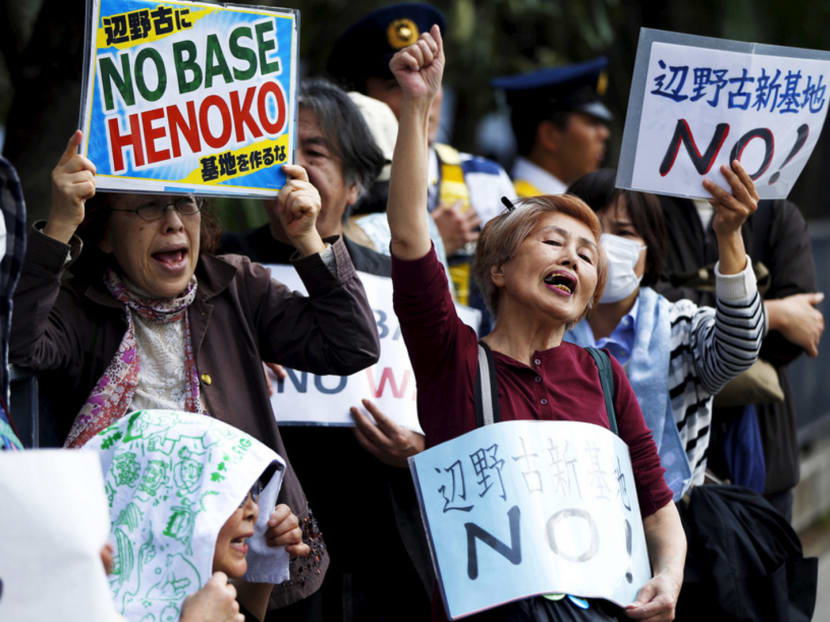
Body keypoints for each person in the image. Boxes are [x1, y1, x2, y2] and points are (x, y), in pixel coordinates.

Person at [386, 26, 684, 621]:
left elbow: (657, 509)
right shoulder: (455, 359)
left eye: (586, 254)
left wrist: (669, 578)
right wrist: (417, 108)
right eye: (553, 241)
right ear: (496, 269)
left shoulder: (603, 375)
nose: (573, 257)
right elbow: (410, 238)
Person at [9, 130, 381, 609]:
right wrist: (59, 225)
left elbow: (352, 347)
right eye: (147, 207)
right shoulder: (78, 307)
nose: (172, 223)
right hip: (129, 568)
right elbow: (19, 346)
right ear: (102, 233)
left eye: (186, 204)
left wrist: (309, 239)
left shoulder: (237, 285)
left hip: (249, 558)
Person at [220, 79, 433, 622]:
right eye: (278, 147)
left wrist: (421, 447)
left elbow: (444, 395)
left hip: (379, 531)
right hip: (265, 535)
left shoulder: (393, 276)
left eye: (314, 152)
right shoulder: (219, 269)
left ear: (354, 185)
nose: (291, 164)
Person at [564, 168, 765, 497]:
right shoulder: (543, 332)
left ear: (650, 248)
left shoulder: (682, 328)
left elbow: (740, 346)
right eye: (590, 231)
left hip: (673, 534)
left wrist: (729, 236)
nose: (603, 245)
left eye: (624, 232)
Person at [327, 2, 516, 310]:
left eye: (429, 77)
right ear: (363, 98)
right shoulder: (338, 179)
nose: (420, 94)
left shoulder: (487, 178)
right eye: (396, 85)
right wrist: (427, 244)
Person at [655, 190, 823, 521]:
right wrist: (775, 313)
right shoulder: (649, 207)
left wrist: (695, 312)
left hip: (762, 445)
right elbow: (649, 309)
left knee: (765, 564)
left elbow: (793, 340)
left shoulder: (778, 214)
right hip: (669, 452)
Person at [86, 409, 308, 622]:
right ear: (170, 502)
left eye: (256, 490)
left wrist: (266, 554)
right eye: (235, 492)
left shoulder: (211, 603)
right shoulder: (79, 610)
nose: (254, 511)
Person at [493, 58, 611, 198]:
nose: (604, 133)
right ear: (550, 135)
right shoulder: (521, 208)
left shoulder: (549, 203)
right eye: (592, 122)